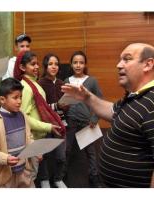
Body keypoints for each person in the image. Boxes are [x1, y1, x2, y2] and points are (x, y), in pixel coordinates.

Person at [61, 43, 154, 188]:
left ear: (148, 64)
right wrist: (86, 97)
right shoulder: (134, 96)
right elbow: (113, 111)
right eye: (119, 59)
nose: (118, 65)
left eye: (127, 59)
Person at [13, 51, 65, 187]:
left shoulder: (33, 84)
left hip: (38, 136)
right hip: (33, 138)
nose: (36, 67)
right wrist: (48, 126)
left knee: (31, 176)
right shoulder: (25, 87)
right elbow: (23, 117)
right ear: (23, 67)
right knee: (29, 177)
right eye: (32, 64)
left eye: (37, 63)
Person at [0, 78, 36, 188]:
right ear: (2, 99)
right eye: (15, 98)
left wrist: (35, 149)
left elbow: (28, 137)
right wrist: (5, 158)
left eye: (20, 97)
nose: (19, 101)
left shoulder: (23, 116)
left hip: (24, 171)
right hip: (6, 176)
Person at [64, 51, 102, 188]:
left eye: (81, 62)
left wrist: (95, 117)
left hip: (87, 122)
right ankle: (61, 176)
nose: (78, 65)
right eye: (75, 62)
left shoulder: (92, 81)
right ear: (71, 64)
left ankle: (94, 177)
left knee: (91, 152)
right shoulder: (67, 80)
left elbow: (100, 100)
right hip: (70, 121)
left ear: (85, 64)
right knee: (66, 149)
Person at [38, 53, 68, 188]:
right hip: (45, 124)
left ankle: (58, 178)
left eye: (56, 64)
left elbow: (66, 104)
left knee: (61, 156)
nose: (54, 67)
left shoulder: (62, 84)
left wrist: (67, 105)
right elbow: (41, 107)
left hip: (61, 123)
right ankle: (44, 179)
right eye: (50, 64)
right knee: (44, 155)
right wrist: (57, 106)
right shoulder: (40, 84)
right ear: (45, 66)